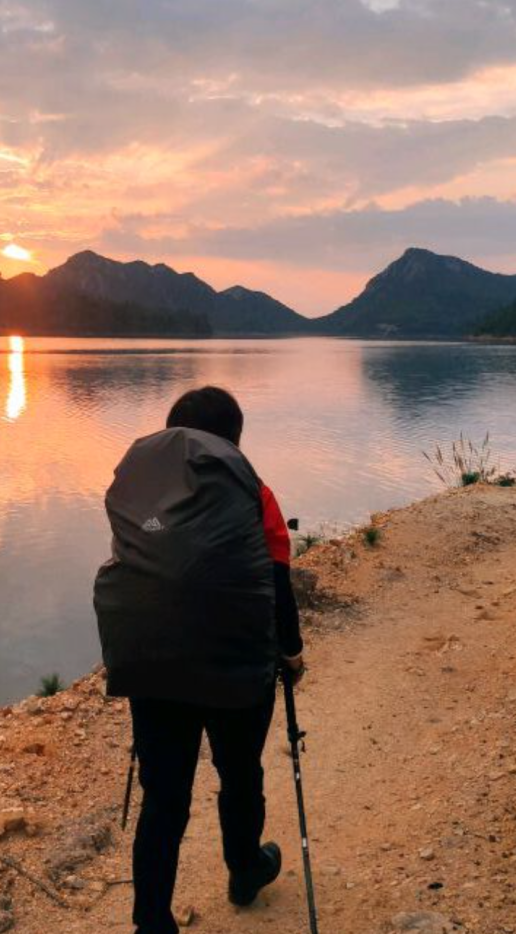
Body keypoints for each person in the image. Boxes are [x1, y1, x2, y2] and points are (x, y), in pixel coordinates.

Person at [94, 386, 304, 934]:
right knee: (238, 773)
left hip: (152, 663)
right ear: (232, 440)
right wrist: (292, 652)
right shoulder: (253, 492)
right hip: (237, 663)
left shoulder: (145, 494)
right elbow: (277, 581)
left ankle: (152, 923)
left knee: (163, 798)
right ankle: (245, 870)